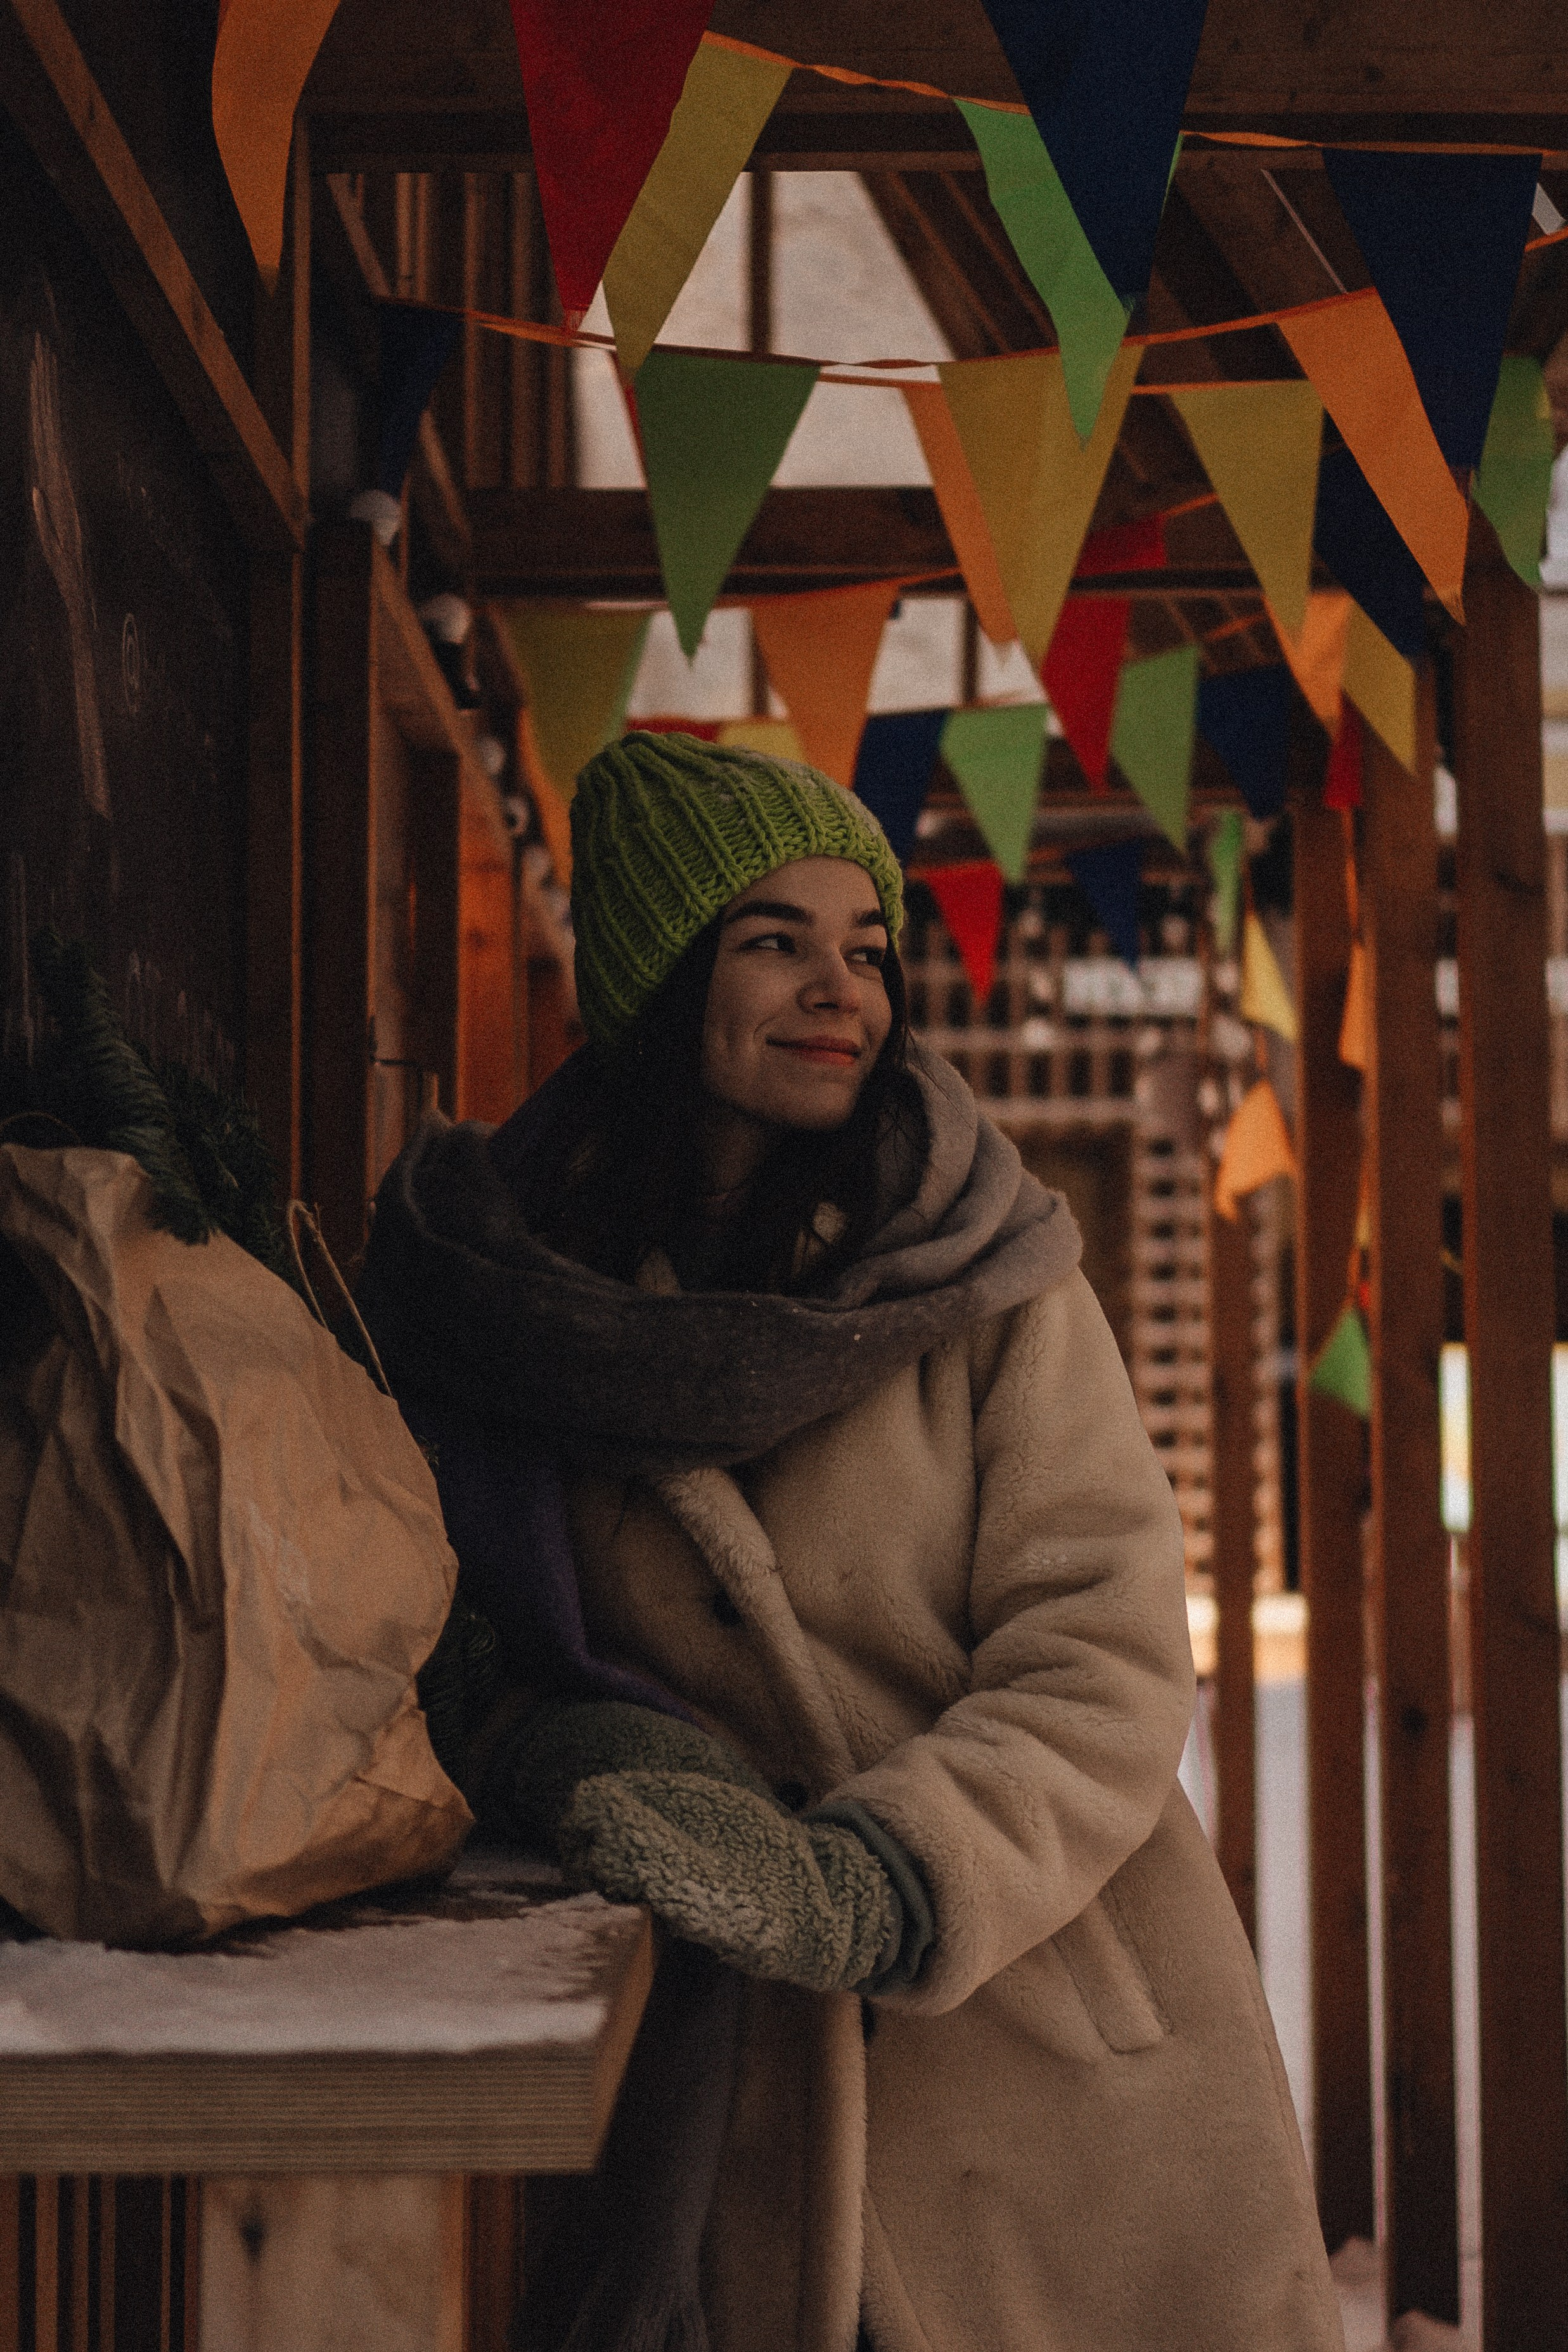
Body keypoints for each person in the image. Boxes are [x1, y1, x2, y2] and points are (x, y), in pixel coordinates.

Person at [360, 731, 1342, 2352]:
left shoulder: (989, 1279)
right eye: (774, 941)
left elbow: (1104, 1652)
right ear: (663, 979)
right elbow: (435, 1629)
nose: (842, 989)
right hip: (721, 2093)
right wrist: (569, 1740)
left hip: (1035, 2042)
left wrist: (885, 1878)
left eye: (866, 949)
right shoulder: (495, 1301)